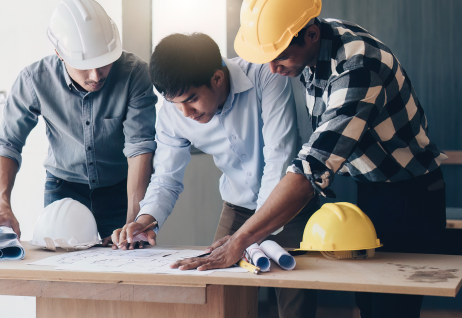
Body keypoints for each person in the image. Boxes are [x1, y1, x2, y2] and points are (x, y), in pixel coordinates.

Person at [174, 0, 448, 318]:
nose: (272, 68)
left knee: (391, 310)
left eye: (280, 57)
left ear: (311, 34)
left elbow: (311, 169)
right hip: (371, 189)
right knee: (368, 305)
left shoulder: (358, 66)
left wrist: (239, 240)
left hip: (411, 196)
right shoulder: (311, 43)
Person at [111, 32, 318, 318]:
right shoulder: (174, 113)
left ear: (218, 79)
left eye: (192, 99)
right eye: (176, 103)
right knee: (220, 301)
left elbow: (278, 158)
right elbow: (166, 178)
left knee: (295, 307)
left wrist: (248, 236)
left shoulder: (265, 76)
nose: (186, 113)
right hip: (236, 207)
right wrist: (145, 220)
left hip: (287, 205)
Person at [0, 0, 157, 243]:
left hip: (121, 187)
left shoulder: (135, 75)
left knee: (129, 255)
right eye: (84, 66)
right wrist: (1, 205)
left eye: (104, 63)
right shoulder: (34, 80)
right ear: (59, 54)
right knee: (60, 268)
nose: (96, 75)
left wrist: (133, 221)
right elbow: (7, 144)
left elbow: (140, 148)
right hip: (63, 188)